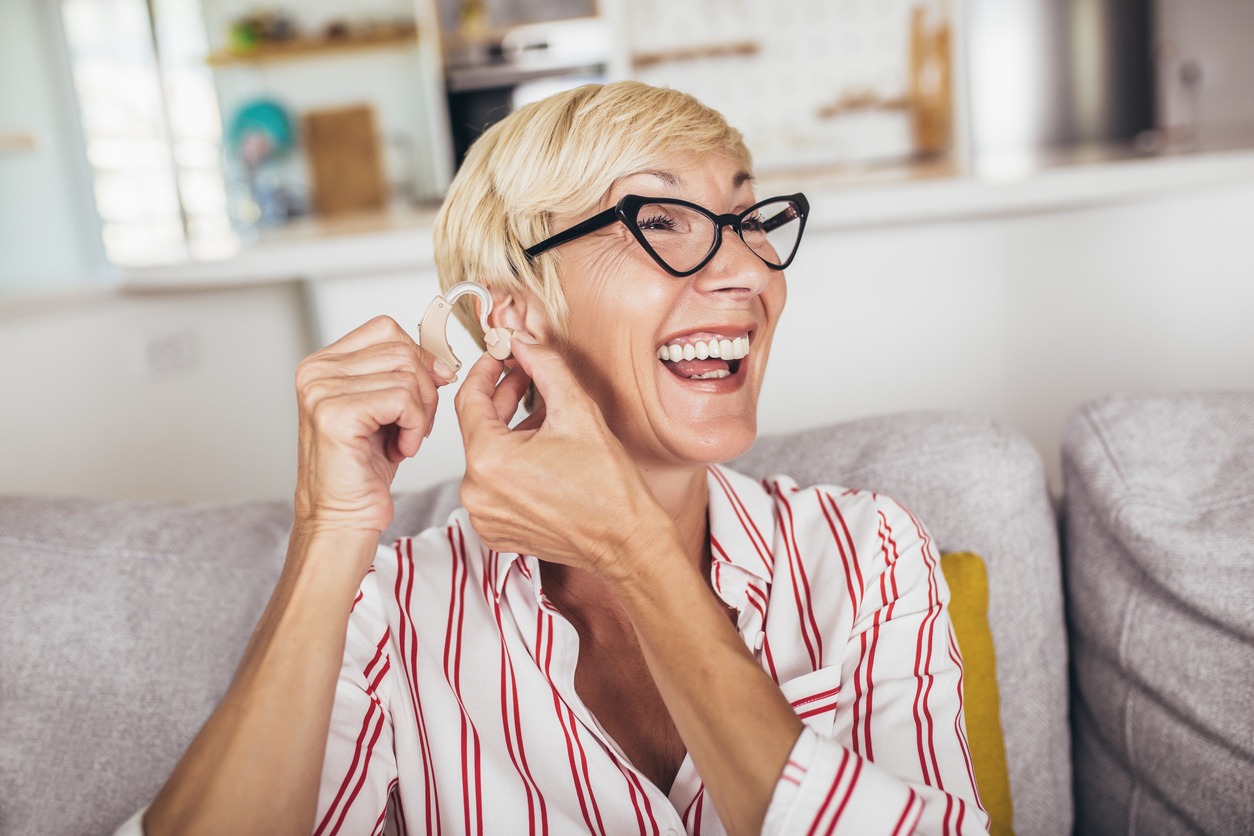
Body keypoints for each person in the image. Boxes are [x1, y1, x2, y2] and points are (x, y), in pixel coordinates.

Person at [126, 81, 989, 835]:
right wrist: (329, 527)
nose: (746, 271)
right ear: (510, 312)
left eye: (748, 218)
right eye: (660, 220)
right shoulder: (386, 611)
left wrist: (637, 553)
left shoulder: (867, 553)